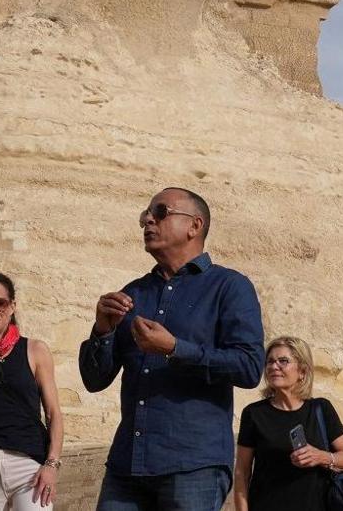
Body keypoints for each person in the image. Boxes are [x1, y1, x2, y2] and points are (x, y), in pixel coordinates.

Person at [79, 187, 264, 511]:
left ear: (195, 225)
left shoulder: (229, 287)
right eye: (145, 216)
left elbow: (249, 367)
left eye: (161, 212)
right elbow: (95, 380)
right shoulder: (133, 293)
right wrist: (102, 331)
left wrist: (175, 349)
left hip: (193, 464)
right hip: (127, 466)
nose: (148, 220)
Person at [0, 272, 65, 510]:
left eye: (0, 302)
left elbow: (53, 414)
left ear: (12, 306)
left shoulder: (35, 350)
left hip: (29, 465)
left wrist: (52, 464)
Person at [232, 336, 343, 511]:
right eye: (269, 362)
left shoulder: (320, 409)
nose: (274, 366)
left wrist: (321, 456)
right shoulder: (254, 414)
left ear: (302, 371)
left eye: (283, 361)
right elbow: (242, 473)